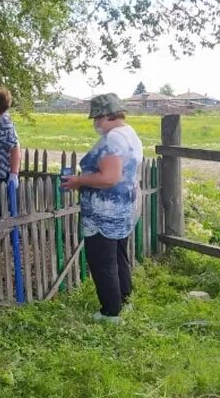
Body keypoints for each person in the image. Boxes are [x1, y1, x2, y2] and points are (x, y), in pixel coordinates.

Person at [61, 93, 143, 324]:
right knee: (118, 255)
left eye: (97, 118)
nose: (95, 123)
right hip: (123, 207)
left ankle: (110, 312)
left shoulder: (113, 139)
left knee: (102, 261)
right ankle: (124, 299)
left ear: (107, 115)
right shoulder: (130, 133)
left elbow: (109, 178)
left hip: (104, 212)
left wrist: (78, 181)